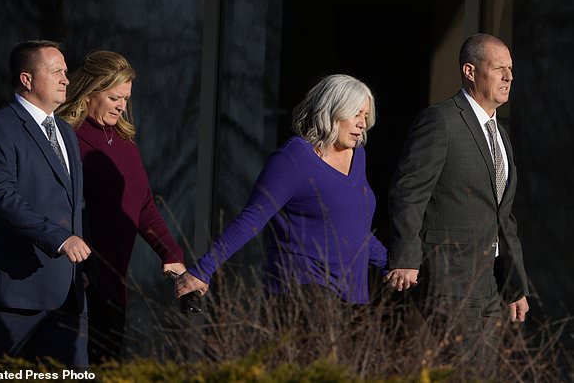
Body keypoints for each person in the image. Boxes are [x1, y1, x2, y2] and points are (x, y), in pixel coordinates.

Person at [0, 40, 91, 371]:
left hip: (64, 292)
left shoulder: (65, 132)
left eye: (66, 71)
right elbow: (1, 196)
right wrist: (60, 239)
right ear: (27, 79)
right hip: (6, 290)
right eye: (56, 72)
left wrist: (78, 267)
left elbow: (72, 204)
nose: (66, 79)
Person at [176, 74, 387, 307]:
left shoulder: (358, 158)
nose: (362, 123)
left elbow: (352, 230)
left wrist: (395, 262)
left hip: (351, 295)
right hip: (303, 288)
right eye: (356, 113)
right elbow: (253, 218)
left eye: (366, 116)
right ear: (333, 110)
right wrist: (203, 269)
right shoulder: (295, 158)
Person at [385, 33, 529, 365]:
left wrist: (514, 283)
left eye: (510, 69)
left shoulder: (501, 135)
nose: (509, 77)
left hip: (490, 281)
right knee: (468, 368)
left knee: (485, 371)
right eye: (498, 69)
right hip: (449, 276)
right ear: (469, 71)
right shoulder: (441, 121)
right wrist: (406, 256)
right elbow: (408, 192)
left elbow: (501, 215)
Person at [56, 50, 186, 363]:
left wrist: (171, 253)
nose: (122, 106)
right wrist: (78, 269)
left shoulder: (124, 142)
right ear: (90, 93)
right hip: (76, 285)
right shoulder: (66, 137)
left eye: (126, 98)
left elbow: (142, 205)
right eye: (115, 97)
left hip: (114, 287)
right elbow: (54, 208)